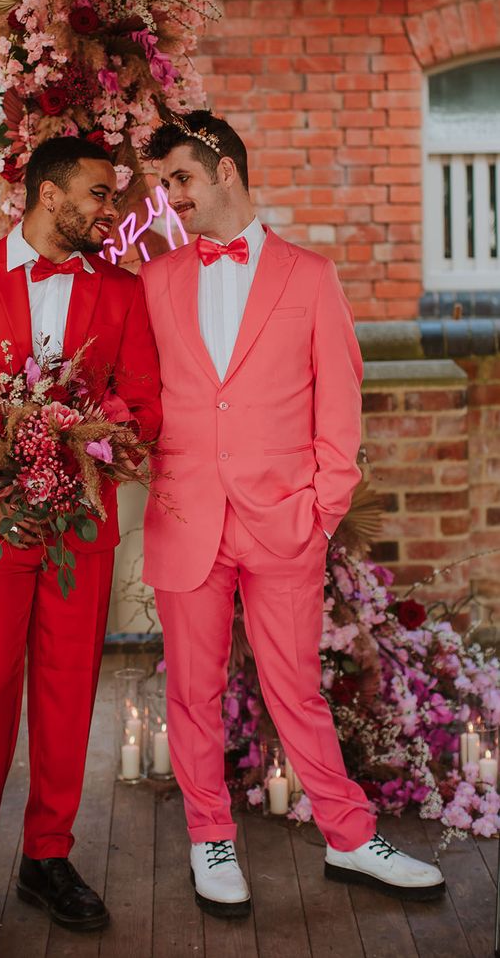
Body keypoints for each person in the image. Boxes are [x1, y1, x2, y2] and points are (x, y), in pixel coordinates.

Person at [138, 110, 445, 918]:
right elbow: (141, 396)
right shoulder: (157, 280)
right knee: (193, 694)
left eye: (180, 180)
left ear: (226, 171)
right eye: (163, 185)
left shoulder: (310, 277)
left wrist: (319, 507)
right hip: (186, 516)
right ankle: (212, 840)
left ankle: (350, 839)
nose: (171, 199)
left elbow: (341, 410)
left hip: (285, 521)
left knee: (297, 689)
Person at [0, 136, 161, 956]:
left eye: (112, 197)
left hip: (78, 527)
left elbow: (143, 404)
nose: (109, 211)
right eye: (96, 195)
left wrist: (85, 444)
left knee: (67, 688)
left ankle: (47, 858)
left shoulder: (123, 291)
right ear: (47, 194)